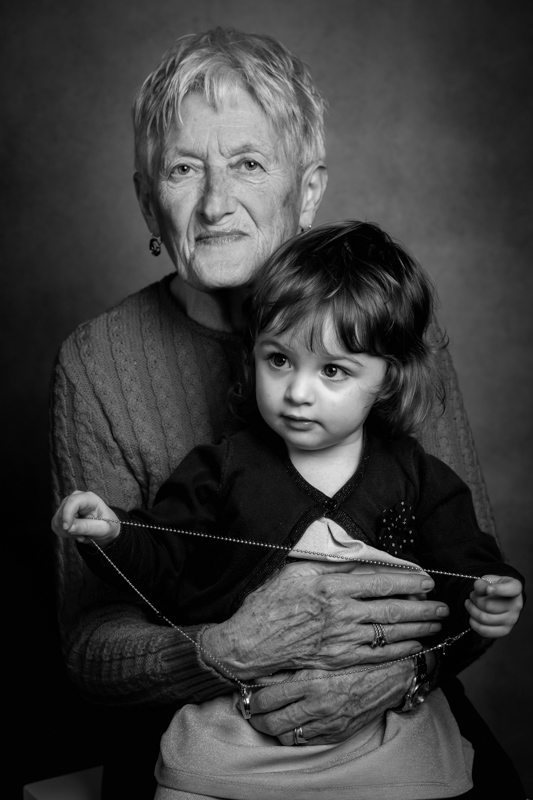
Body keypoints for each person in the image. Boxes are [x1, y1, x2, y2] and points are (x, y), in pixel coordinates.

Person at [49, 28, 525, 799]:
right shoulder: (98, 361)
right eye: (181, 169)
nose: (213, 203)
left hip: (394, 708)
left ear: (306, 191)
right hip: (199, 728)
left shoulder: (388, 332)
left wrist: (394, 674)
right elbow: (90, 645)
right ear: (146, 200)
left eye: (247, 163)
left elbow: (466, 576)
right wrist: (229, 649)